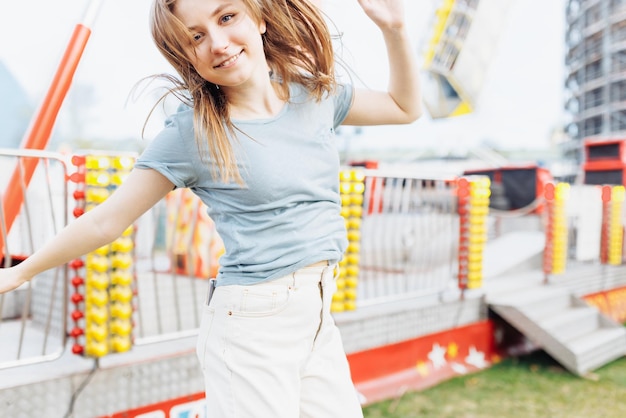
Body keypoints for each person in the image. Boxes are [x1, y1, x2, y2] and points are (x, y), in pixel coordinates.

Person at [0, 0, 421, 416]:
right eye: (195, 37)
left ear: (259, 18)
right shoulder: (194, 132)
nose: (217, 43)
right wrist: (20, 272)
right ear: (185, 54)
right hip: (253, 327)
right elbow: (107, 220)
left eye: (227, 17)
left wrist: (395, 30)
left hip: (316, 317)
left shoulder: (313, 95)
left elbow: (405, 108)